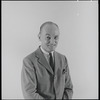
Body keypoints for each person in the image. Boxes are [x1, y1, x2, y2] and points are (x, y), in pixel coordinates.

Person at [21, 21, 73, 99]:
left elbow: (69, 88)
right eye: (48, 37)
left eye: (56, 37)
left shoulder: (63, 59)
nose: (52, 42)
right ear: (39, 37)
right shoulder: (29, 61)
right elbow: (29, 94)